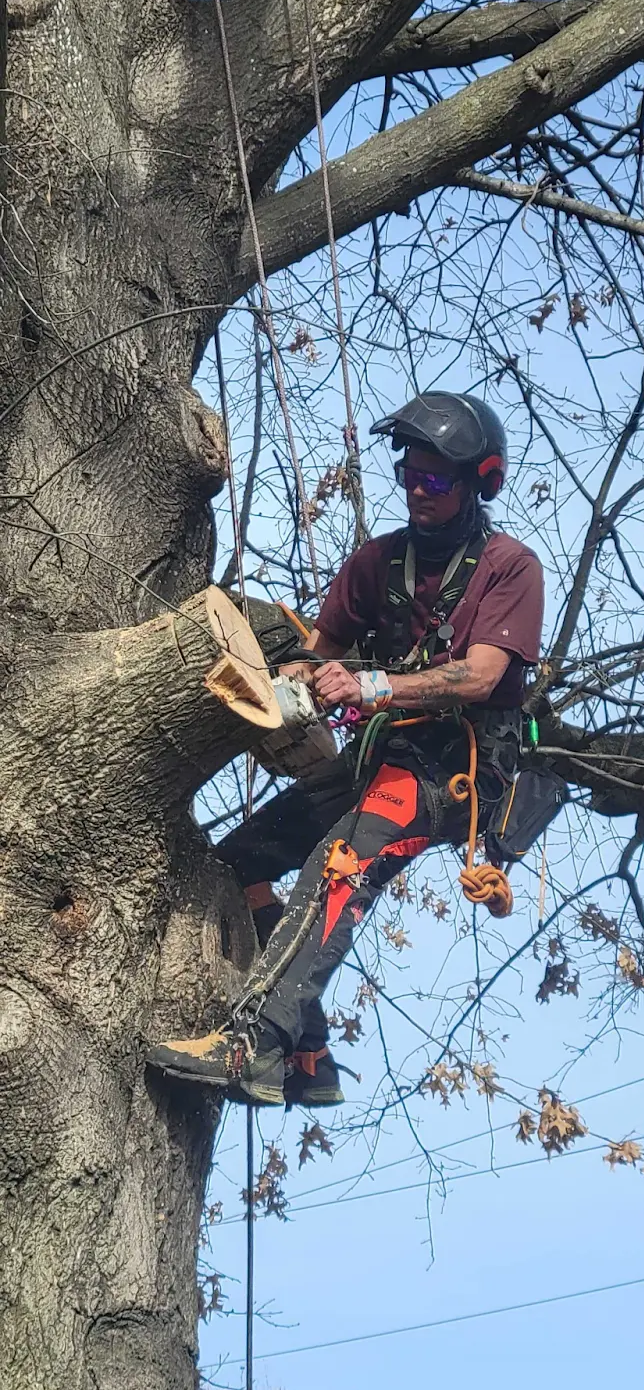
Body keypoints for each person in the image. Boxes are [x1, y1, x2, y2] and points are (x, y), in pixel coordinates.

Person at [148, 393, 544, 1107]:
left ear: (479, 480)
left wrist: (370, 685)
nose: (418, 494)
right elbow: (315, 653)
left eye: (435, 482)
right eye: (410, 478)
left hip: (453, 770)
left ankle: (253, 1049)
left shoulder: (509, 568)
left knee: (338, 868)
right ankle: (309, 1055)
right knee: (237, 864)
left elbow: (483, 675)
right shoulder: (377, 563)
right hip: (376, 758)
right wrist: (285, 685)